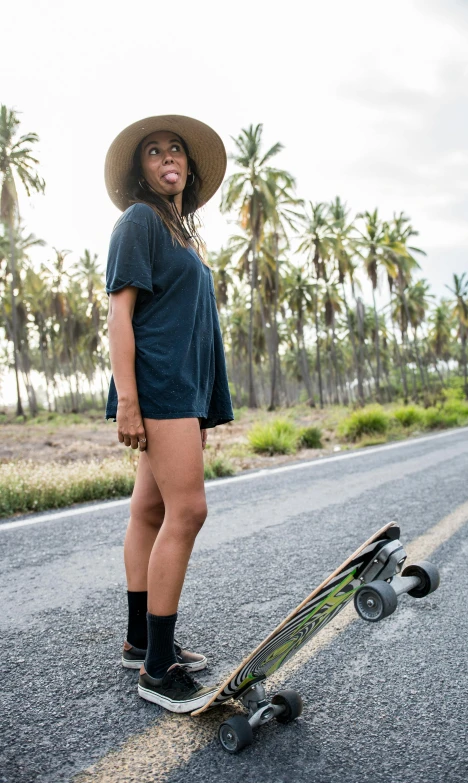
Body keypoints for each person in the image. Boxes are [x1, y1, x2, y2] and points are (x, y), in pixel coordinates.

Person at [104, 114, 234, 713]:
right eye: (154, 152)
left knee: (151, 509)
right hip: (157, 388)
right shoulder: (138, 221)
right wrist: (129, 400)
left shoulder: (182, 235)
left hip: (182, 388)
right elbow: (120, 315)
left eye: (175, 150)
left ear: (189, 166)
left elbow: (193, 324)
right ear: (143, 171)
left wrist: (203, 404)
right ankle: (158, 667)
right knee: (190, 510)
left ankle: (140, 640)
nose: (166, 158)